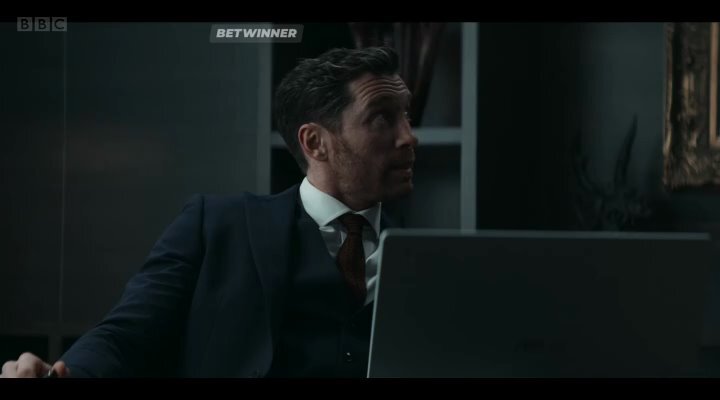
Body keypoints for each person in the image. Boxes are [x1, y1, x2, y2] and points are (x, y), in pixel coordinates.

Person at [0, 46, 418, 378]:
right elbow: (126, 334)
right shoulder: (216, 225)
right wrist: (66, 373)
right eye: (382, 118)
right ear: (314, 143)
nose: (408, 137)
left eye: (406, 115)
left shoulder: (425, 257)